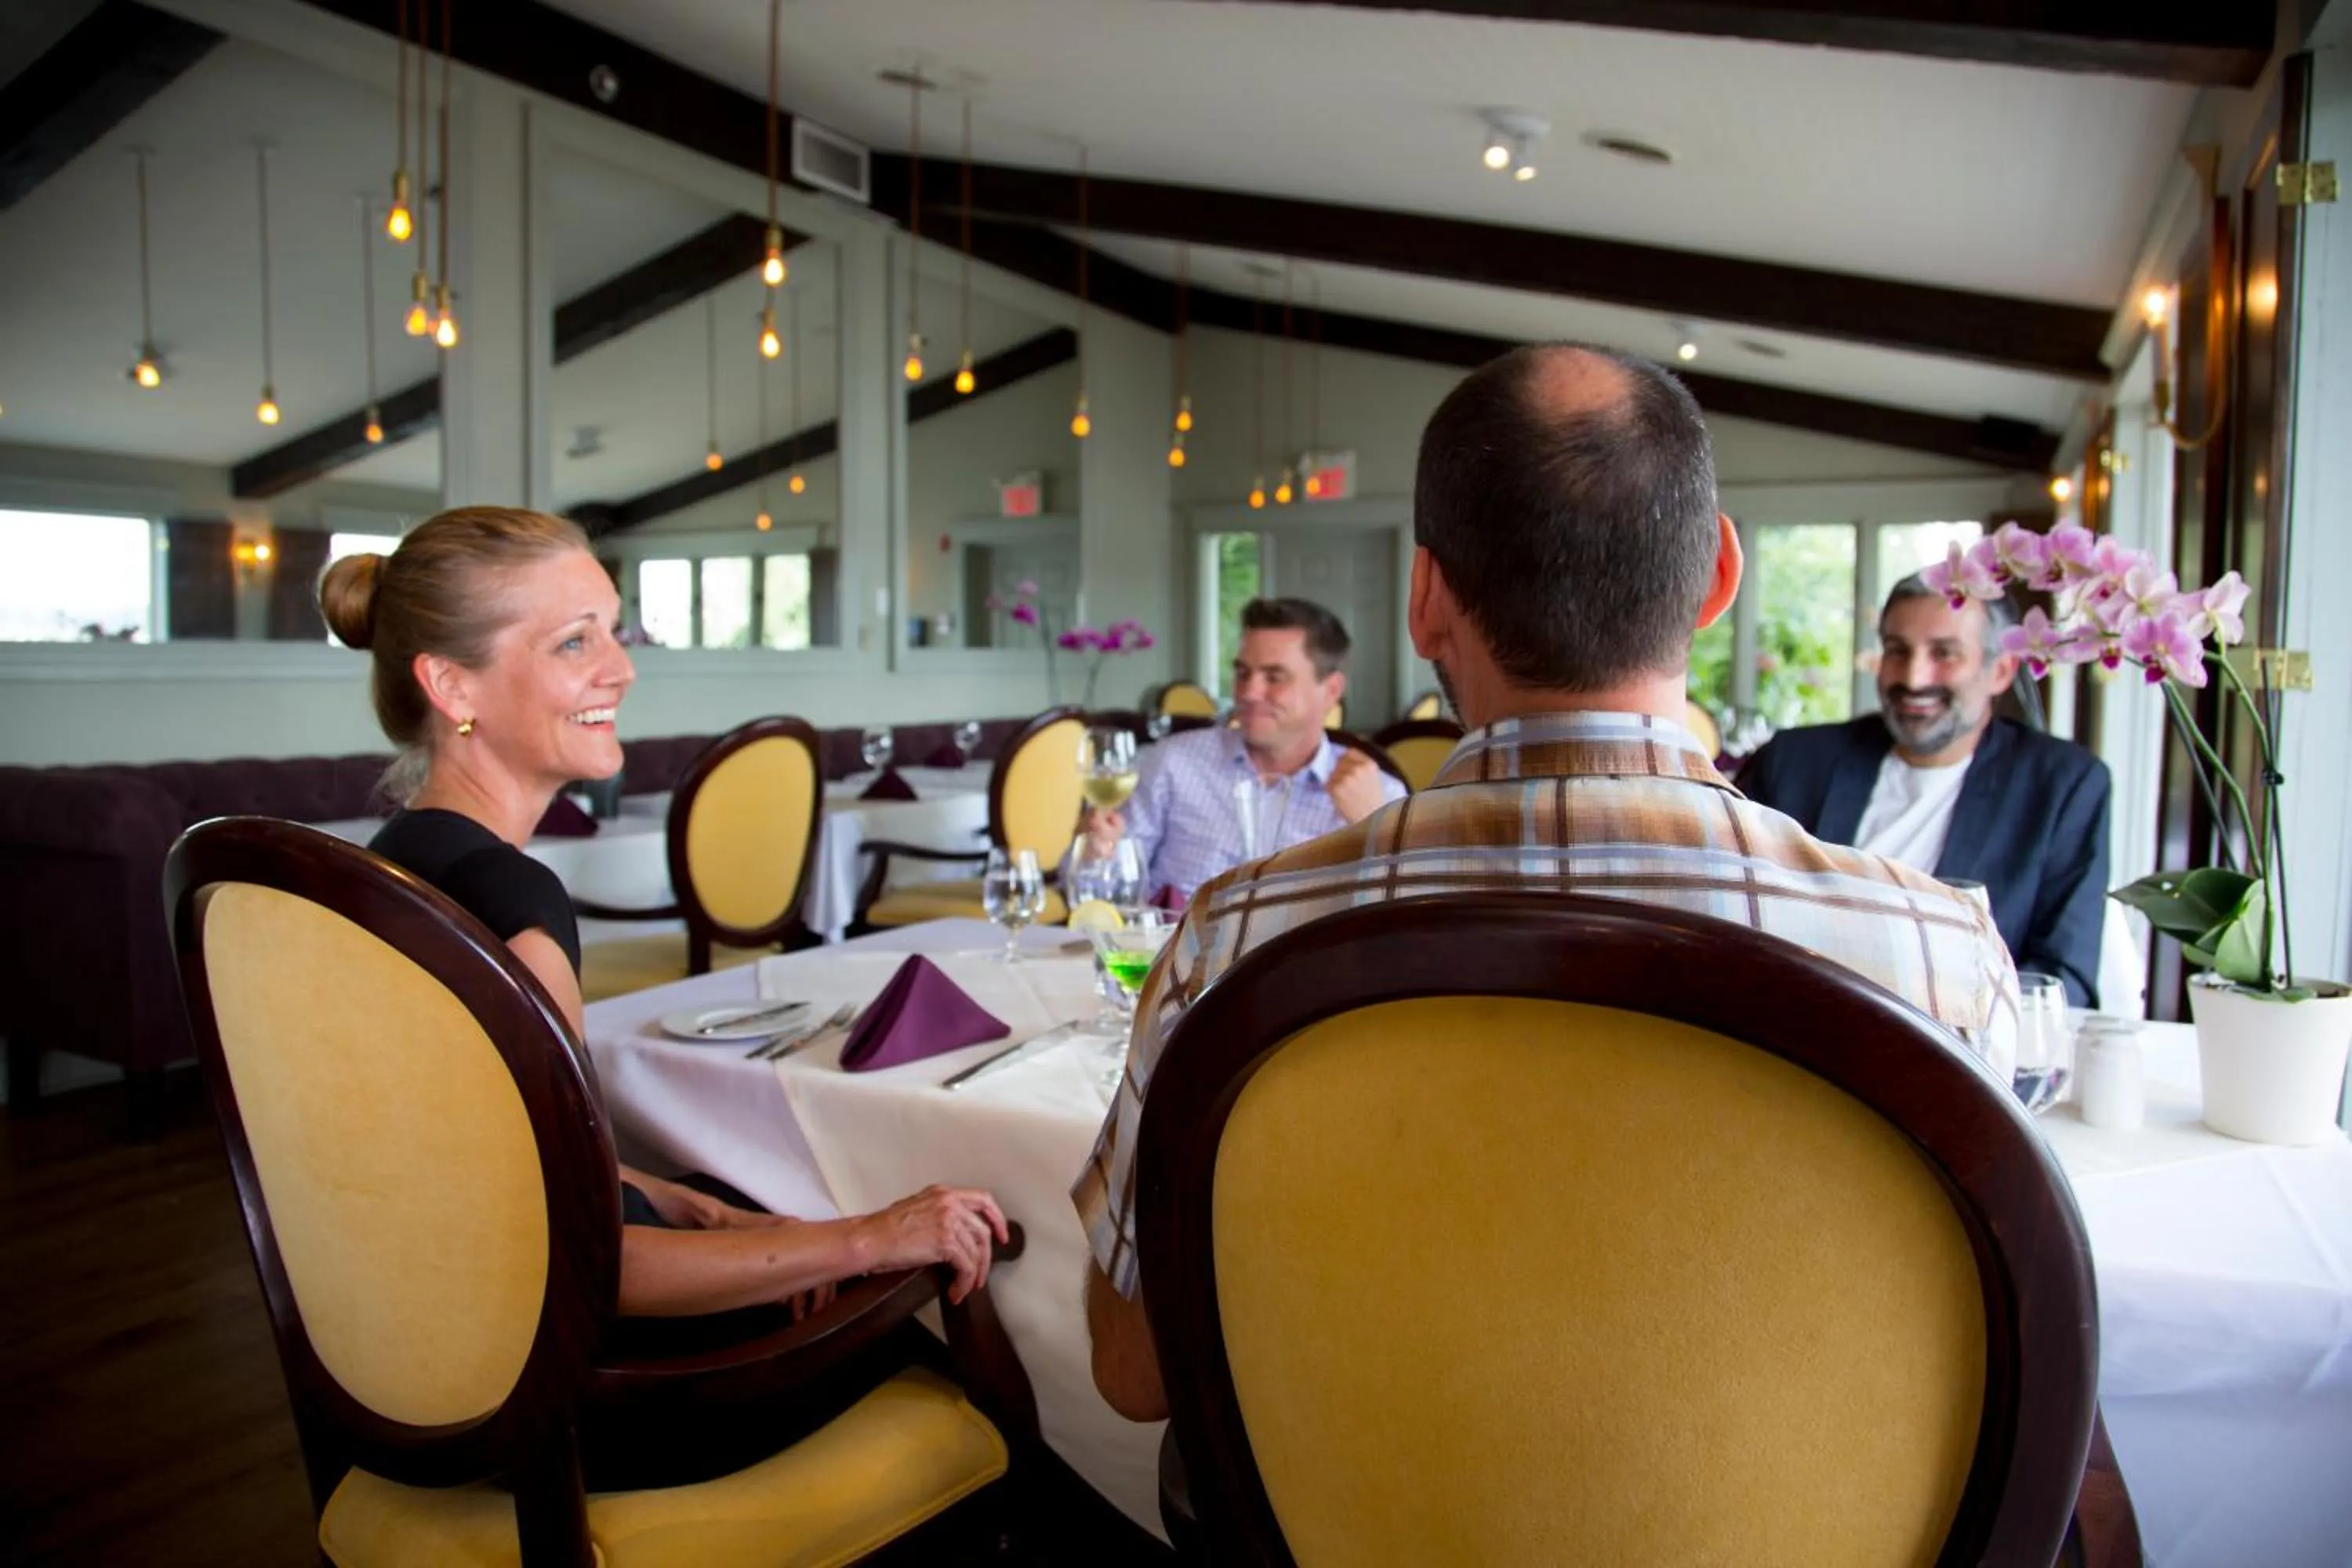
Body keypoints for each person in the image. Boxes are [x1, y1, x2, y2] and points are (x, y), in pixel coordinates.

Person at [1073, 343, 2021, 1423]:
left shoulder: (1234, 940)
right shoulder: (1938, 954)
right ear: (1717, 577)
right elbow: (1981, 1378)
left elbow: (1134, 1371)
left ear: (1425, 601)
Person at [320, 507, 1008, 1483]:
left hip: (411, 1385)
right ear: (451, 684)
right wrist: (867, 1235)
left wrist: (675, 1200)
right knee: (951, 1322)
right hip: (552, 1414)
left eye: (611, 626)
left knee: (746, 1203)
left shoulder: (392, 871)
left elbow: (471, 1177)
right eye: (573, 641)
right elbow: (575, 1265)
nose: (622, 666)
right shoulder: (515, 912)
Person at [1736, 576, 2112, 1007]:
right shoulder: (1795, 761)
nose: (1913, 678)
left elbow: (2062, 983)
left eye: (1944, 654)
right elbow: (1731, 915)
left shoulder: (2063, 785)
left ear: (2001, 671)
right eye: (1897, 651)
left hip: (1961, 1055)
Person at [1083, 597, 1406, 905]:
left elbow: (1403, 921)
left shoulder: (1377, 795)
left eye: (1274, 677)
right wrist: (1095, 855)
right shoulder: (1172, 763)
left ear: (1331, 690)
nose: (1249, 692)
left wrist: (1376, 830)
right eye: (1242, 673)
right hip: (1175, 957)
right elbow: (1105, 900)